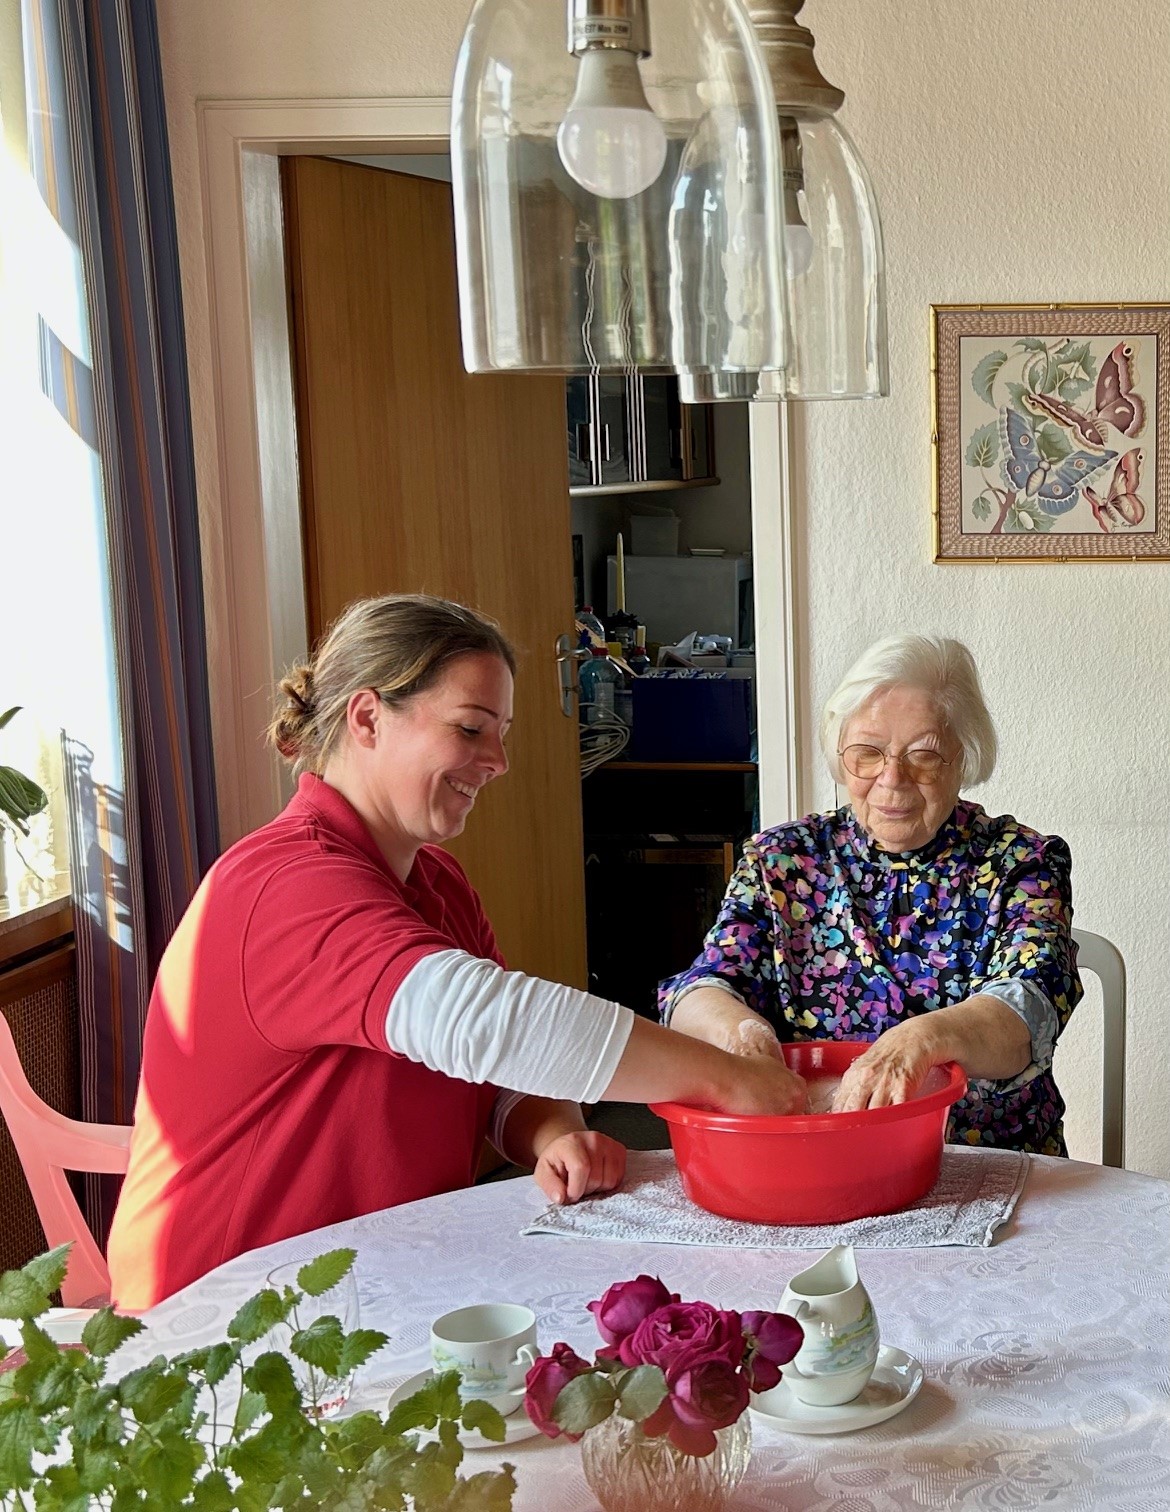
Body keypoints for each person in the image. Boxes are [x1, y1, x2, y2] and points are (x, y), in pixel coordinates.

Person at [108, 595, 799, 1309]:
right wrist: (729, 1081)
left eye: (501, 733)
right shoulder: (285, 884)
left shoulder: (435, 880)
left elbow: (500, 1070)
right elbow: (489, 1021)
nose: (497, 762)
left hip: (372, 1276)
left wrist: (553, 1131)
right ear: (367, 718)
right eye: (470, 728)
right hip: (230, 1302)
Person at [663, 634, 1081, 1154]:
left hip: (984, 1159)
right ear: (842, 756)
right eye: (867, 753)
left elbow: (1028, 1008)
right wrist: (739, 1035)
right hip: (815, 1156)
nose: (892, 779)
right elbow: (702, 988)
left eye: (924, 756)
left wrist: (918, 1041)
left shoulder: (1022, 861)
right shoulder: (781, 859)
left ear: (962, 757)